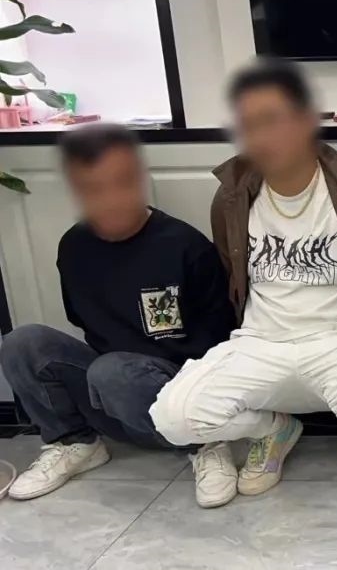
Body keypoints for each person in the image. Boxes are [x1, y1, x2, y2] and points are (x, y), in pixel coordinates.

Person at [150, 60, 337, 506]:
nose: (261, 137)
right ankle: (273, 429)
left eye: (273, 120)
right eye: (249, 125)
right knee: (173, 417)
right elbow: (232, 274)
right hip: (262, 342)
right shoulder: (232, 198)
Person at [0, 125, 234, 502]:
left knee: (112, 371)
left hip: (183, 397)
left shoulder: (185, 247)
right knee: (22, 342)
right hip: (107, 392)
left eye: (121, 183)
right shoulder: (74, 248)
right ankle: (75, 443)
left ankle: (205, 445)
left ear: (140, 180)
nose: (111, 200)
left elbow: (222, 345)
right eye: (94, 189)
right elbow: (82, 322)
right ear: (77, 191)